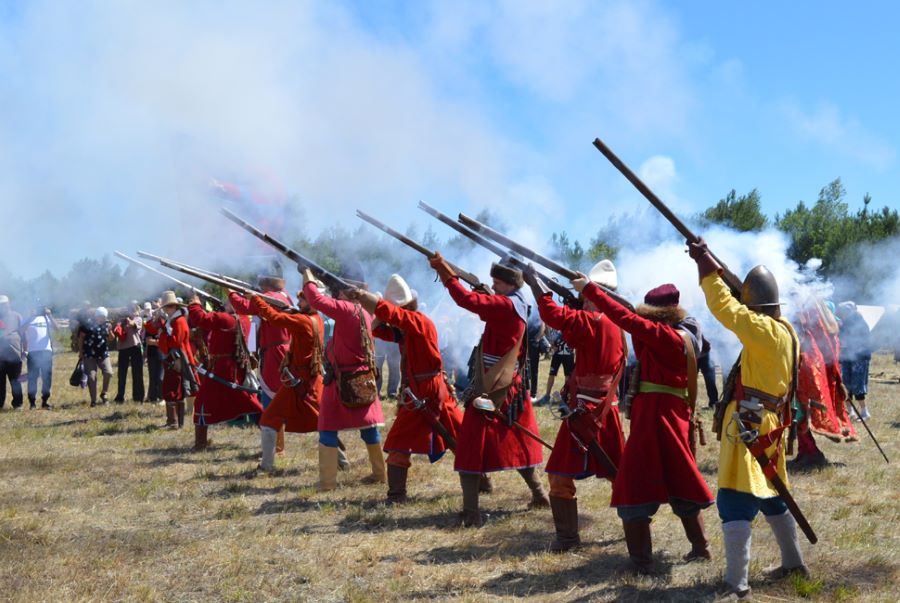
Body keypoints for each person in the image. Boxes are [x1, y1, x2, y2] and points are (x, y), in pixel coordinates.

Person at [688, 241, 808, 600]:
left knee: (734, 502)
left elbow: (723, 308)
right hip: (766, 424)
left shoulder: (764, 330)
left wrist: (705, 268)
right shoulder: (786, 329)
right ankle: (793, 562)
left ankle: (737, 585)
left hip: (750, 426)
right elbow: (740, 309)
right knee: (773, 495)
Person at [572, 274, 714, 572]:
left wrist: (590, 291)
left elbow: (624, 317)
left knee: (633, 488)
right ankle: (700, 548)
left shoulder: (665, 337)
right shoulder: (682, 336)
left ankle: (641, 561)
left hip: (656, 420)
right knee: (680, 481)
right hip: (670, 416)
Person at [429, 254, 547, 527]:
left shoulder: (507, 306)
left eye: (497, 284)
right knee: (518, 441)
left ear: (509, 284)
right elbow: (484, 308)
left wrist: (446, 274)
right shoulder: (515, 303)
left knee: (470, 444)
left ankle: (471, 512)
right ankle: (539, 494)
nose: (493, 288)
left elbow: (467, 301)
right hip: (508, 386)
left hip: (492, 388)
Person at [526, 260, 626, 552]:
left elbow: (553, 316)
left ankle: (568, 539)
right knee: (617, 475)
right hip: (604, 411)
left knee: (560, 476)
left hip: (587, 413)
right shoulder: (614, 324)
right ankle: (635, 524)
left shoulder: (592, 321)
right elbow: (569, 334)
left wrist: (538, 287)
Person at [351, 274, 464, 504]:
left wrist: (364, 297)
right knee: (457, 436)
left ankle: (396, 496)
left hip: (426, 389)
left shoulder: (416, 322)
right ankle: (480, 481)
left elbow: (390, 316)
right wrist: (380, 306)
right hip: (425, 388)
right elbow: (379, 330)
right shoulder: (409, 325)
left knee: (402, 441)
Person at [302, 265, 386, 491]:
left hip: (342, 380)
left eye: (339, 289)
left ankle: (327, 483)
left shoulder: (348, 309)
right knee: (369, 428)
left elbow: (315, 300)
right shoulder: (366, 310)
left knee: (327, 428)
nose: (336, 293)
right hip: (363, 378)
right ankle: (380, 474)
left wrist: (307, 275)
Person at [238, 283, 336, 473]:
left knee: (269, 420)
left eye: (303, 300)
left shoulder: (304, 321)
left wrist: (255, 299)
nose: (298, 302)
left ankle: (266, 467)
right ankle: (341, 461)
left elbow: (274, 318)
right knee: (322, 422)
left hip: (298, 382)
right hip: (307, 380)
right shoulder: (316, 318)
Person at [186, 295, 264, 451]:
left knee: (202, 403)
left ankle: (200, 444)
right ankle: (270, 430)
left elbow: (199, 318)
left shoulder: (226, 319)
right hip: (233, 369)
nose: (227, 301)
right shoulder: (243, 319)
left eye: (230, 300)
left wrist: (195, 302)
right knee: (251, 404)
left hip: (222, 369)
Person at [229, 267, 293, 451]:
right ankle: (275, 446)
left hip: (275, 354)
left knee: (271, 400)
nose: (259, 286)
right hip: (276, 351)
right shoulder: (283, 296)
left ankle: (275, 449)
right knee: (273, 400)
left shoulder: (272, 298)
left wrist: (231, 292)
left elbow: (244, 307)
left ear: (267, 283)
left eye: (261, 283)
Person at [145, 291, 198, 429]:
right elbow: (150, 327)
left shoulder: (179, 321)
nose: (166, 310)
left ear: (173, 307)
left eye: (167, 307)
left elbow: (175, 341)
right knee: (174, 389)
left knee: (172, 389)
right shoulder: (172, 320)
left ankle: (173, 422)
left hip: (177, 359)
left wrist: (162, 336)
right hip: (173, 358)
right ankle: (176, 422)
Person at [837, 301, 872, 421]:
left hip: (859, 357)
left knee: (858, 384)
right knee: (845, 384)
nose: (842, 314)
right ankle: (850, 411)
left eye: (845, 312)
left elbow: (864, 342)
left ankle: (864, 412)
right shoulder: (842, 324)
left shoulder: (860, 324)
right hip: (846, 357)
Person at [22, 301, 59, 409]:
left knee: (47, 377)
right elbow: (21, 330)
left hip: (46, 351)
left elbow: (57, 329)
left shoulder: (47, 318)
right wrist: (30, 316)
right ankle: (32, 402)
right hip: (33, 352)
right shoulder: (28, 319)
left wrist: (50, 315)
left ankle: (45, 400)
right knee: (32, 377)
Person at [79, 307, 114, 407]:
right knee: (92, 376)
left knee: (108, 372)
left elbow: (111, 338)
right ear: (97, 316)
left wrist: (110, 331)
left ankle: (104, 393)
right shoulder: (87, 324)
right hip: (89, 354)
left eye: (104, 317)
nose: (103, 319)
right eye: (101, 316)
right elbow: (81, 338)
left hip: (103, 354)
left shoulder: (106, 325)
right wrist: (81, 352)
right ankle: (93, 400)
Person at [113, 304, 145, 403]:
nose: (132, 312)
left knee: (137, 373)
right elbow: (115, 330)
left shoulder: (138, 319)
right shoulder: (121, 320)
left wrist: (126, 317)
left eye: (133, 310)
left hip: (135, 347)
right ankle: (120, 396)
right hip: (123, 348)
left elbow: (132, 324)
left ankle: (138, 397)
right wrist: (118, 321)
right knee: (121, 374)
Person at [539, 326, 575, 406]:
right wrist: (551, 345)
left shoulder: (571, 324)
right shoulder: (556, 325)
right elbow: (551, 336)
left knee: (568, 376)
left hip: (568, 354)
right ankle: (547, 396)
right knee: (551, 374)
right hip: (557, 354)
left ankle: (565, 397)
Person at [0, 295, 25, 410]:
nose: (2, 307)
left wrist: (25, 350)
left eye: (4, 304)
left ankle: (18, 404)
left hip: (14, 354)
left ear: (8, 304)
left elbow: (24, 334)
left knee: (15, 381)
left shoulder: (17, 316)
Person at [143, 302, 164, 403]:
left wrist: (155, 342)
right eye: (154, 313)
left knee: (160, 377)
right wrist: (159, 342)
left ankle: (162, 397)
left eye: (157, 313)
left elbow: (166, 341)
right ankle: (153, 398)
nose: (155, 315)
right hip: (152, 353)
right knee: (153, 377)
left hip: (162, 353)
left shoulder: (164, 324)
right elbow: (148, 341)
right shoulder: (149, 324)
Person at [526, 311, 546, 400]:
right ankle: (524, 392)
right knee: (523, 369)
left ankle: (533, 395)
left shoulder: (538, 310)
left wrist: (537, 339)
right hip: (524, 343)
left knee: (534, 370)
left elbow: (543, 325)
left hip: (534, 343)